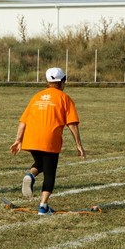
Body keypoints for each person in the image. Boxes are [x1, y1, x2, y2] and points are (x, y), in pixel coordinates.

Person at [10, 67, 86, 215]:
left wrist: (18, 140)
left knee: (41, 163)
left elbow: (23, 121)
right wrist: (78, 144)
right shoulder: (65, 98)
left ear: (47, 82)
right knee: (50, 172)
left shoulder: (36, 97)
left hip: (31, 138)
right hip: (49, 139)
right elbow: (72, 124)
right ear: (62, 82)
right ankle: (43, 206)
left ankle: (30, 175)